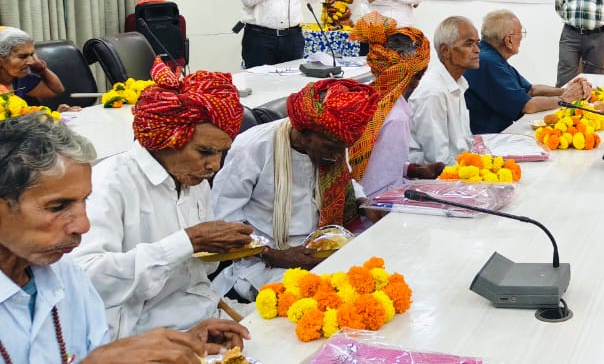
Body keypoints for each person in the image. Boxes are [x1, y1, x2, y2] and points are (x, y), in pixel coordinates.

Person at [0, 114, 250, 364]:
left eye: (85, 201)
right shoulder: (111, 181)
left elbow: (87, 350)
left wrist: (184, 339)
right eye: (57, 207)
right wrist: (186, 242)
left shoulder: (64, 273)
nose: (83, 225)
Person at [72, 59, 254, 340]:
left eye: (221, 153)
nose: (215, 166)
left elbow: (201, 270)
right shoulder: (108, 183)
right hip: (139, 336)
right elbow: (87, 278)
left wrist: (221, 245)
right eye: (205, 152)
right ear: (167, 138)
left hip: (204, 314)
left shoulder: (195, 181)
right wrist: (187, 241)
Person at [210, 79, 379, 301]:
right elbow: (222, 220)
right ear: (304, 131)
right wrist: (274, 255)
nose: (338, 156)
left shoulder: (333, 144)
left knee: (374, 279)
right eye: (332, 148)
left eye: (343, 149)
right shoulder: (252, 147)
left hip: (321, 249)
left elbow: (346, 181)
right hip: (264, 262)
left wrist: (363, 203)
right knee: (322, 300)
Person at [347, 14, 440, 196]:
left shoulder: (364, 96)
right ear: (420, 73)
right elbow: (382, 187)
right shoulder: (396, 116)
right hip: (372, 207)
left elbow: (376, 162)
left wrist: (410, 169)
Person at [465, 10, 591, 134]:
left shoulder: (491, 56)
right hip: (488, 138)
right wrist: (565, 99)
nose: (521, 37)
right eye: (520, 33)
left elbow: (531, 90)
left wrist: (568, 91)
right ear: (509, 40)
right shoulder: (487, 62)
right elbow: (527, 105)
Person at [410, 16, 480, 164]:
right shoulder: (433, 92)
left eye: (477, 43)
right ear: (445, 50)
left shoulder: (459, 83)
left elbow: (463, 144)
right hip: (435, 174)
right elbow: (437, 160)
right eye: (469, 44)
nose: (477, 50)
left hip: (457, 165)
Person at [0, 27, 65, 106]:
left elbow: (55, 91)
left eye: (32, 55)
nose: (31, 62)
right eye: (23, 56)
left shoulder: (20, 79)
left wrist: (42, 70)